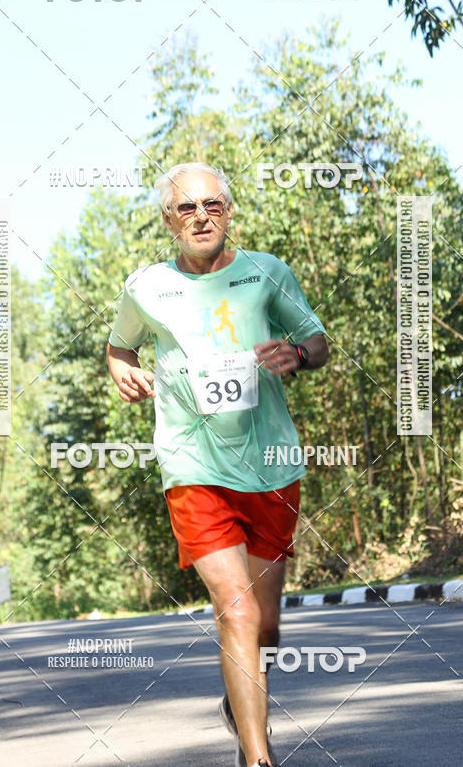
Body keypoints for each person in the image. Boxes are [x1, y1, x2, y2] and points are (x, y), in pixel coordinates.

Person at [107, 162, 329, 767]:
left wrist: (298, 353)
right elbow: (120, 345)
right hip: (192, 464)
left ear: (229, 212)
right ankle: (257, 757)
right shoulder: (146, 286)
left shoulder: (266, 272)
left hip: (271, 465)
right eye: (187, 207)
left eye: (213, 205)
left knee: (266, 626)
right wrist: (123, 371)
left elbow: (317, 340)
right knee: (236, 605)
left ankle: (242, 700)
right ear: (168, 220)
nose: (201, 217)